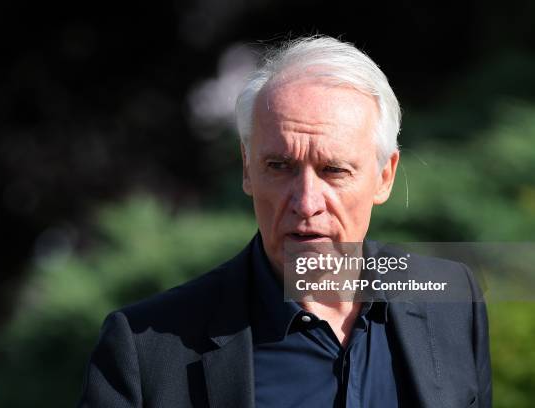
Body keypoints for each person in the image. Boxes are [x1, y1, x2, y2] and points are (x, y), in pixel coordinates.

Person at [77, 36, 491, 408]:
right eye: (279, 165)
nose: (307, 202)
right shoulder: (146, 348)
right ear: (246, 168)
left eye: (333, 170)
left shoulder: (452, 300)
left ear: (385, 176)